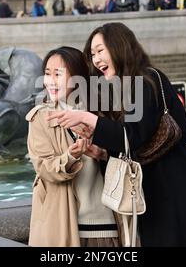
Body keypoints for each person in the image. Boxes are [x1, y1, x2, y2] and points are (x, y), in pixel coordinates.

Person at [48, 23, 186, 247]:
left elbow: (131, 135)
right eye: (92, 54)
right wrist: (103, 154)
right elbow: (133, 143)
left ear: (119, 46)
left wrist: (87, 118)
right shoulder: (125, 87)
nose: (96, 60)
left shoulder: (144, 80)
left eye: (100, 51)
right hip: (157, 192)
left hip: (177, 189)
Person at [27, 47, 120, 247]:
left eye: (58, 74)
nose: (50, 81)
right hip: (62, 227)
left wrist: (102, 154)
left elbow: (126, 156)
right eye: (47, 74)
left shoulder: (99, 115)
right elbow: (43, 168)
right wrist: (70, 156)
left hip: (104, 225)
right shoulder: (41, 117)